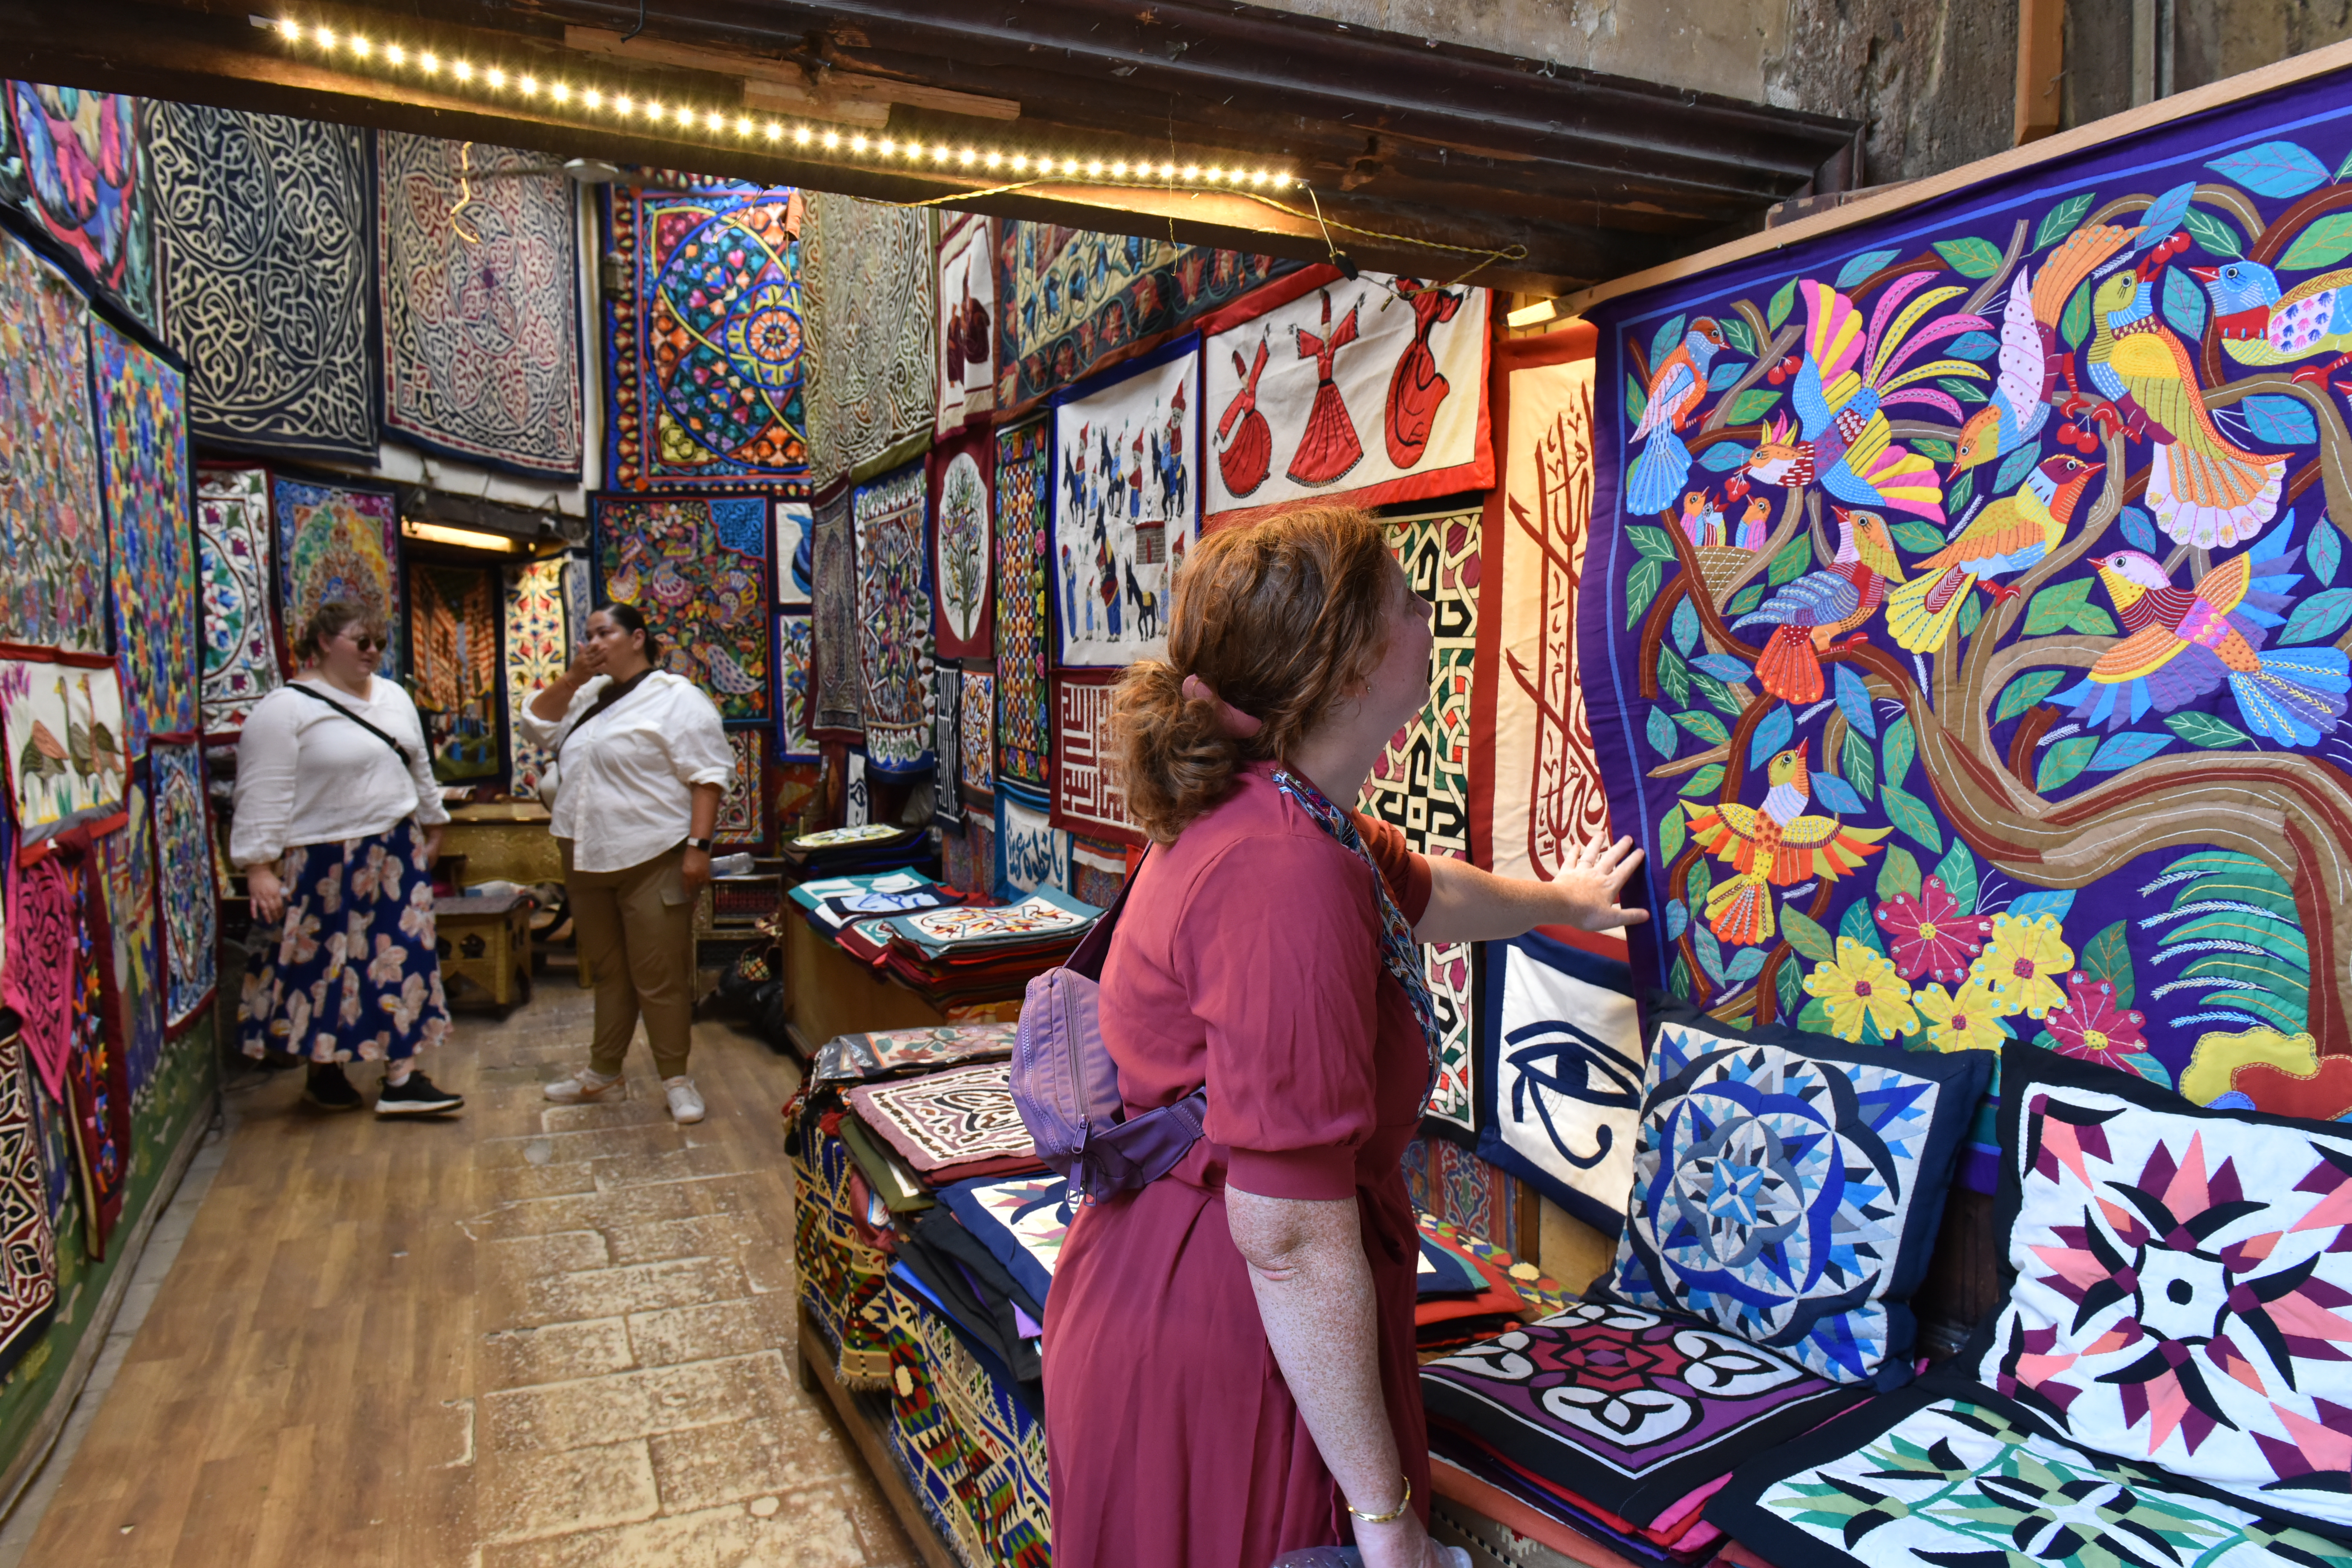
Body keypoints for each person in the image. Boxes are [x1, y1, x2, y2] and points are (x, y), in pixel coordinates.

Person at [1043, 507, 1647, 1568]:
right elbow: (1284, 1237)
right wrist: (1382, 1512)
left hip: (1199, 1294)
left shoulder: (1293, 813)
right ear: (1351, 657)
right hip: (1231, 1338)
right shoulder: (1282, 866)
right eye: (1411, 605)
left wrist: (1561, 899)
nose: (1431, 623)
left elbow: (1426, 889)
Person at [232, 602, 464, 1115]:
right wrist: (259, 866)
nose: (373, 651)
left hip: (393, 850)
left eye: (379, 642)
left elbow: (418, 765)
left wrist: (435, 822)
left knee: (400, 955)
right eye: (361, 641)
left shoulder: (394, 697)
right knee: (325, 968)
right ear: (321, 643)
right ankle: (324, 1072)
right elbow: (263, 790)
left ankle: (400, 1078)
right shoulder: (286, 709)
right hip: (322, 858)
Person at [517, 604, 731, 1124]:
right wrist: (574, 675)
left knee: (657, 972)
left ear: (638, 638)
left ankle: (676, 1077)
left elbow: (708, 774)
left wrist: (697, 849)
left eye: (604, 632)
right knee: (609, 969)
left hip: (651, 853)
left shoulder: (677, 698)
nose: (594, 640)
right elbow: (536, 725)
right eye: (588, 633)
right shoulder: (586, 696)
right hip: (585, 852)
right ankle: (603, 1072)